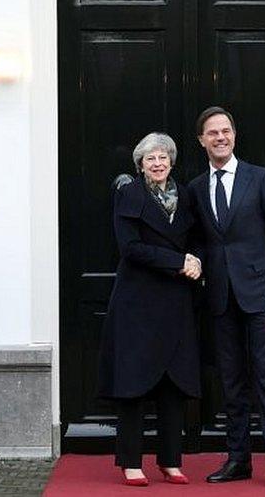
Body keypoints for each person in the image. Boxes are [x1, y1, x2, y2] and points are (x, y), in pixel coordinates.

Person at [187, 106, 265, 488]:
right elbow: (200, 240)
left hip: (262, 297)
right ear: (201, 140)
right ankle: (238, 460)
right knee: (231, 384)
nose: (220, 137)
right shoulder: (197, 188)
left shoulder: (262, 179)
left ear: (234, 135)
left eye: (226, 131)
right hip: (219, 299)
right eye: (212, 132)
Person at [97, 132, 202, 486]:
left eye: (162, 157)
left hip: (175, 302)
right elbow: (131, 248)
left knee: (173, 382)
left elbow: (197, 240)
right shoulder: (130, 194)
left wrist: (197, 262)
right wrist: (178, 260)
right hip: (137, 304)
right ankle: (131, 462)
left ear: (171, 161)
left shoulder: (185, 195)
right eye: (149, 158)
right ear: (140, 164)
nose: (157, 163)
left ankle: (170, 460)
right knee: (134, 383)